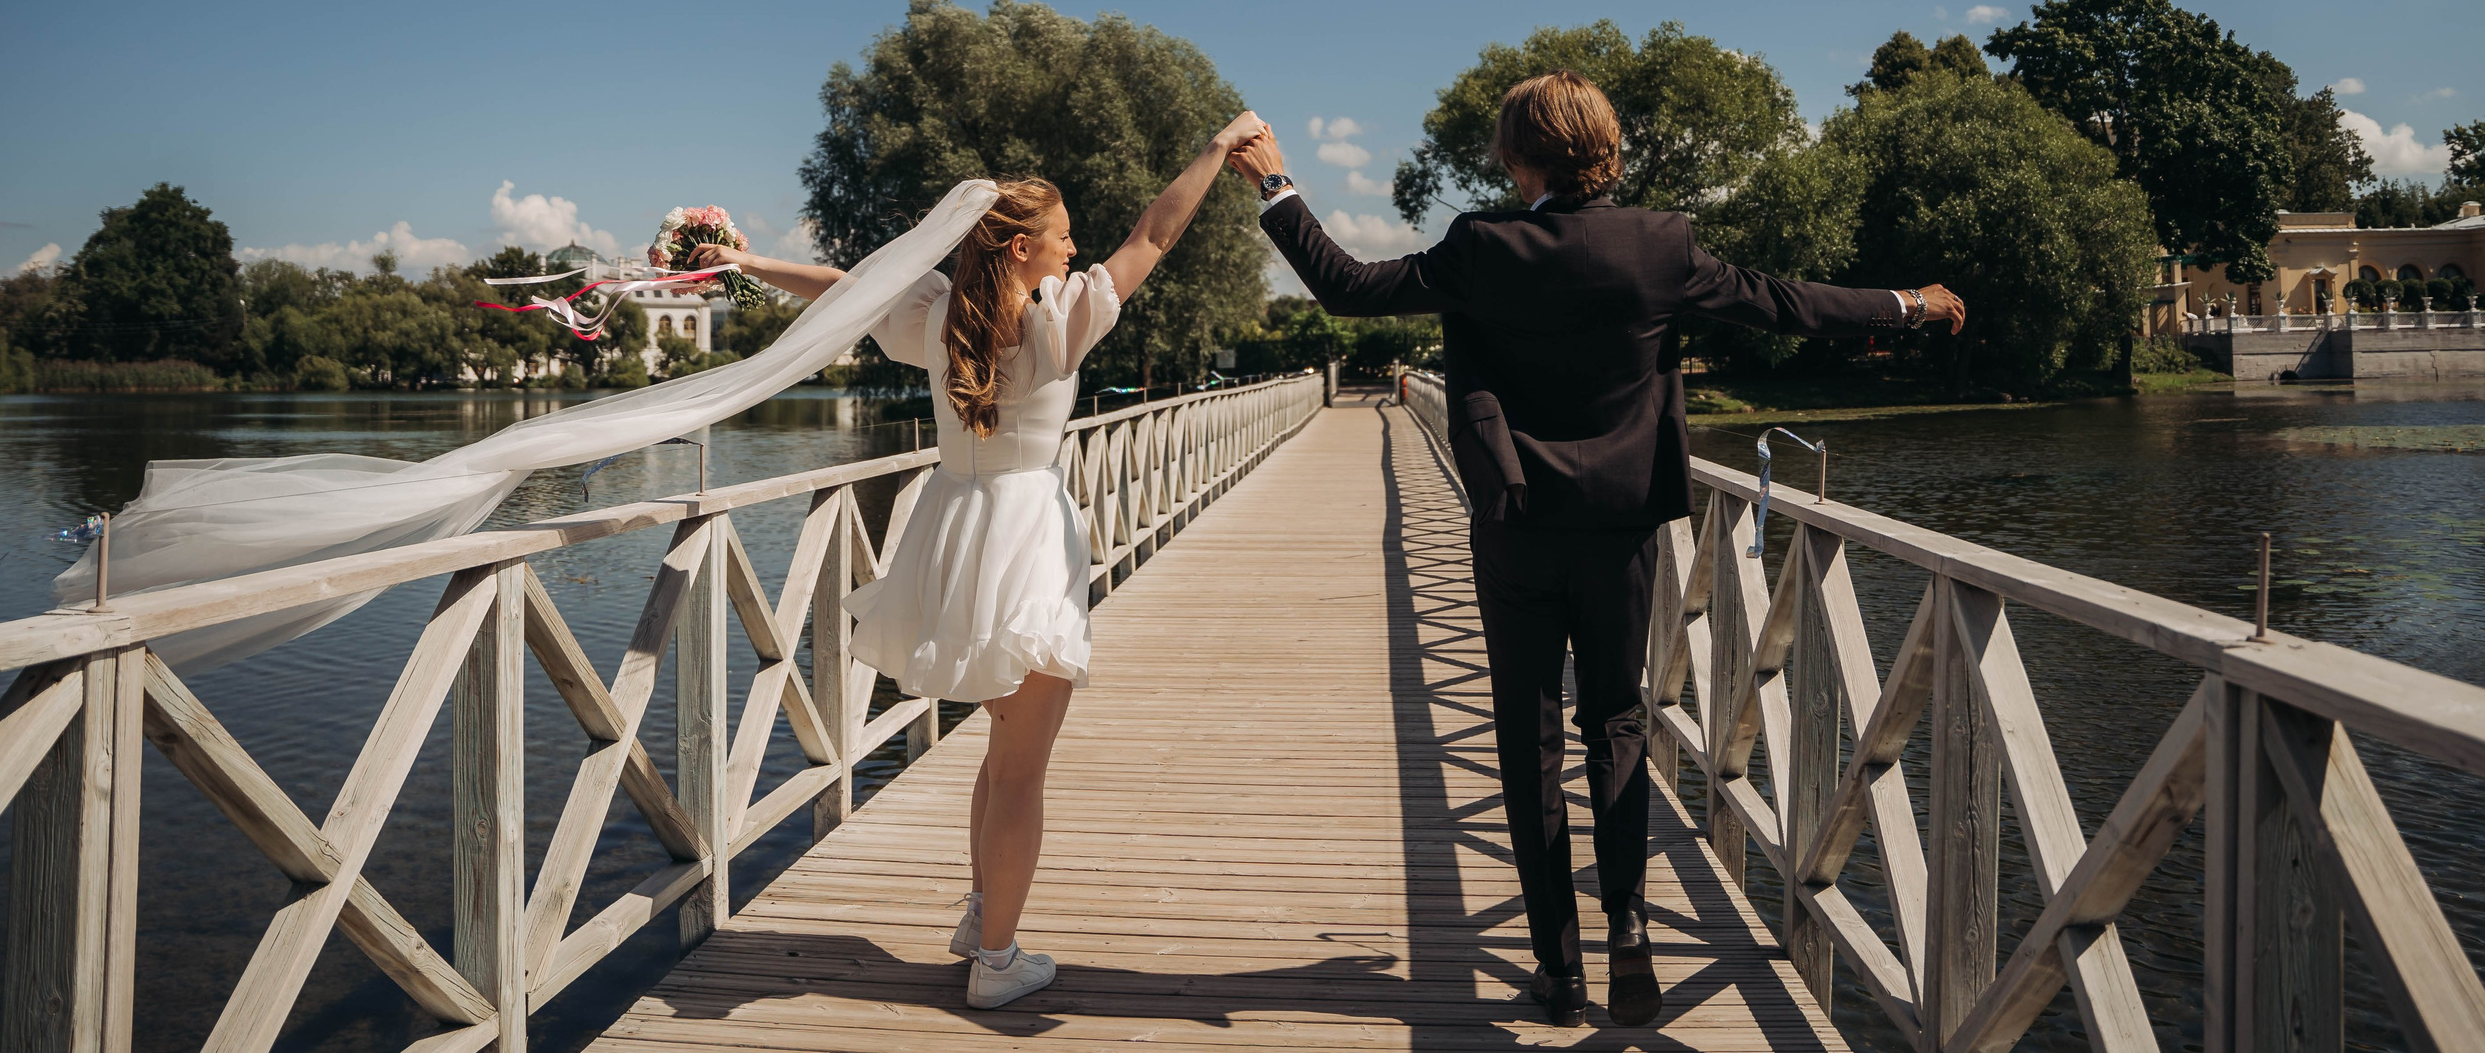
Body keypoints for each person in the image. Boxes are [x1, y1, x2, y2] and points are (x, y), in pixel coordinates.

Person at [1228, 73, 1962, 1029]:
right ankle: (1630, 933)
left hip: (1517, 528)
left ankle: (1557, 969)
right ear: (1606, 150)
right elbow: (1788, 304)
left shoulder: (1482, 247)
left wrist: (1276, 184)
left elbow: (1346, 286)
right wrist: (1909, 303)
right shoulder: (1659, 245)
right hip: (1620, 533)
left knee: (1528, 745)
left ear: (1516, 157)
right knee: (1617, 726)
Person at [690, 109, 1267, 1010]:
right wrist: (1217, 149)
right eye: (1063, 235)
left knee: (1001, 751)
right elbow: (1155, 231)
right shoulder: (1058, 323)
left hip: (951, 529)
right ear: (1023, 250)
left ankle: (979, 917)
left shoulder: (935, 315)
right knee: (1022, 765)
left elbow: (845, 288)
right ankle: (997, 961)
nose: (1076, 249)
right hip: (1026, 538)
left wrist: (746, 261)